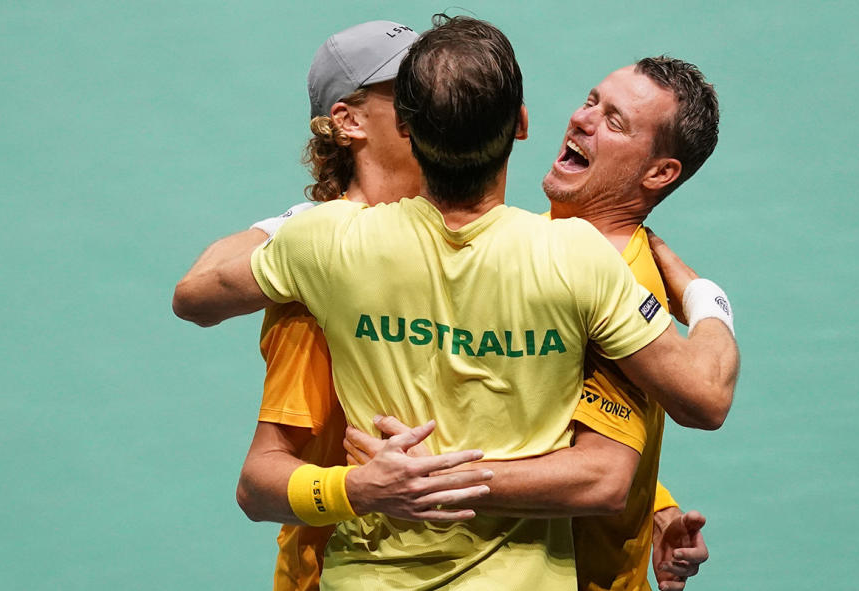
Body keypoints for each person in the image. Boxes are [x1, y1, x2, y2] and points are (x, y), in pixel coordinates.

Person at [174, 16, 737, 591]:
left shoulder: (321, 250)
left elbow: (583, 445)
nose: (585, 119)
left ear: (412, 126)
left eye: (613, 119)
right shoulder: (573, 257)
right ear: (520, 123)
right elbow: (259, 475)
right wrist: (702, 296)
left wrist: (653, 503)